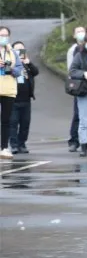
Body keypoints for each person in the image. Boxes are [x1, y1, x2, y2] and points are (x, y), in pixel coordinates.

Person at [9, 41, 37, 154]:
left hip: (26, 99)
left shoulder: (26, 64)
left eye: (21, 49)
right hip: (13, 99)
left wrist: (28, 63)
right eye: (17, 49)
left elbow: (36, 72)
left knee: (25, 123)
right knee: (13, 123)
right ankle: (14, 145)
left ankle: (22, 144)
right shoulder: (10, 62)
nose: (19, 52)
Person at [66, 26, 87, 152]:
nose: (81, 34)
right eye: (78, 32)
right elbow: (71, 69)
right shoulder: (73, 50)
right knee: (78, 113)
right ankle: (74, 140)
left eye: (82, 31)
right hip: (79, 85)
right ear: (74, 35)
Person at [0, 27, 18, 159]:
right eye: (1, 35)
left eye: (6, 35)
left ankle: (4, 147)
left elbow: (19, 71)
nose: (4, 38)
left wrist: (10, 68)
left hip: (8, 90)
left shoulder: (13, 53)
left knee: (6, 120)